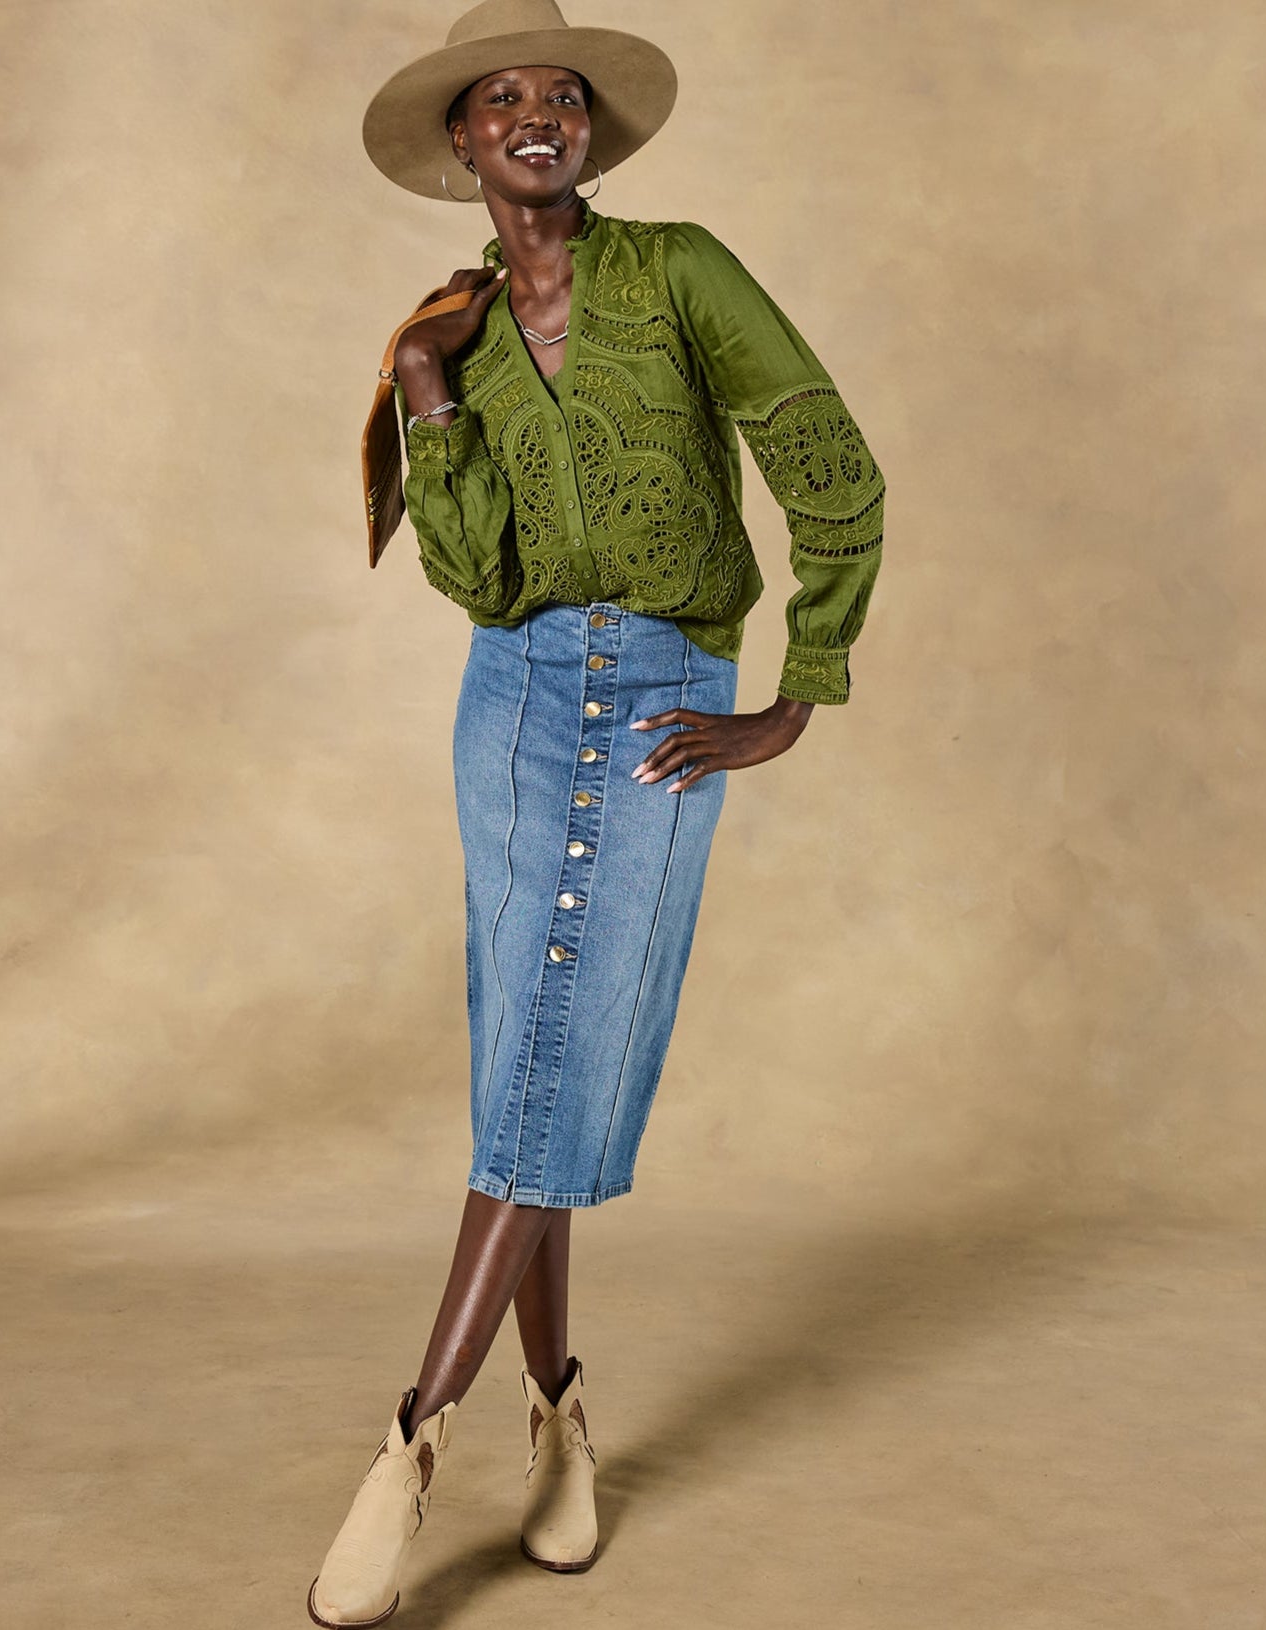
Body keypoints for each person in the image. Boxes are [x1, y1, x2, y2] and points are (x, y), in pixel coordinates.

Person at [309, 2, 885, 1622]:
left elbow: (831, 465)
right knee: (525, 1049)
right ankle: (555, 1408)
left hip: (656, 700)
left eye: (560, 94)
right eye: (502, 97)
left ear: (590, 133)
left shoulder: (681, 270)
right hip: (509, 697)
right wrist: (424, 389)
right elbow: (474, 574)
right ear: (462, 142)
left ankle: (408, 1445)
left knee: (555, 1049)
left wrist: (794, 691)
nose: (535, 114)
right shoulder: (458, 329)